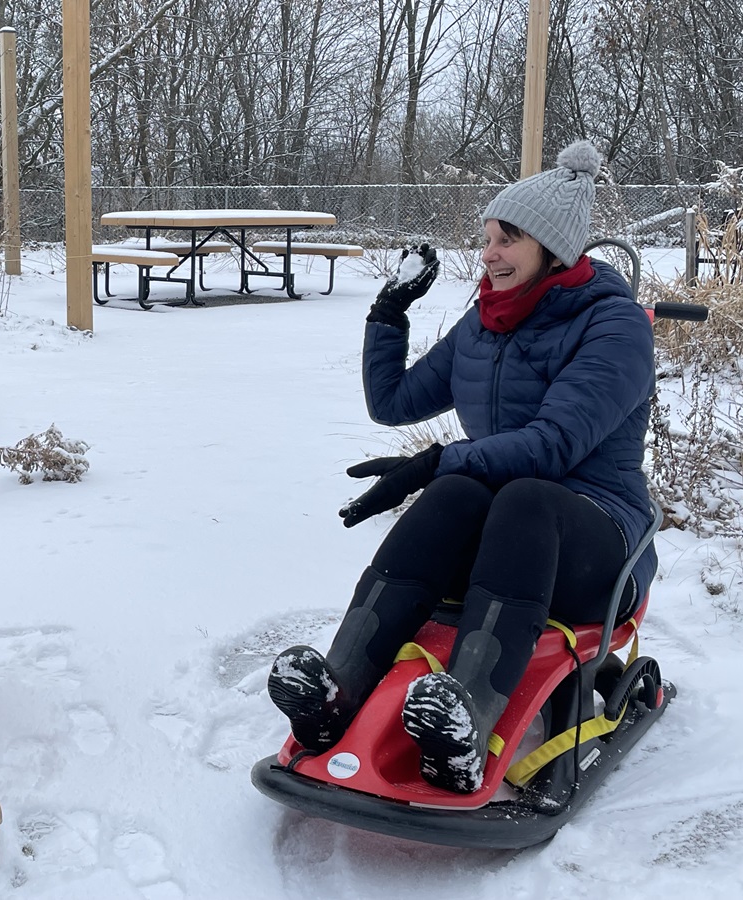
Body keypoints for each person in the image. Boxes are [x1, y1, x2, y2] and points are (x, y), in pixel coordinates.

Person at [267, 141, 658, 794]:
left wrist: (433, 460)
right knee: (455, 492)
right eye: (486, 239)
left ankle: (468, 725)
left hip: (597, 542)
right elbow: (394, 402)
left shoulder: (615, 328)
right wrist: (389, 311)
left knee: (521, 494)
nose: (489, 254)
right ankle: (336, 691)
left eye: (506, 239)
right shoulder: (486, 323)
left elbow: (553, 446)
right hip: (503, 538)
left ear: (552, 246)